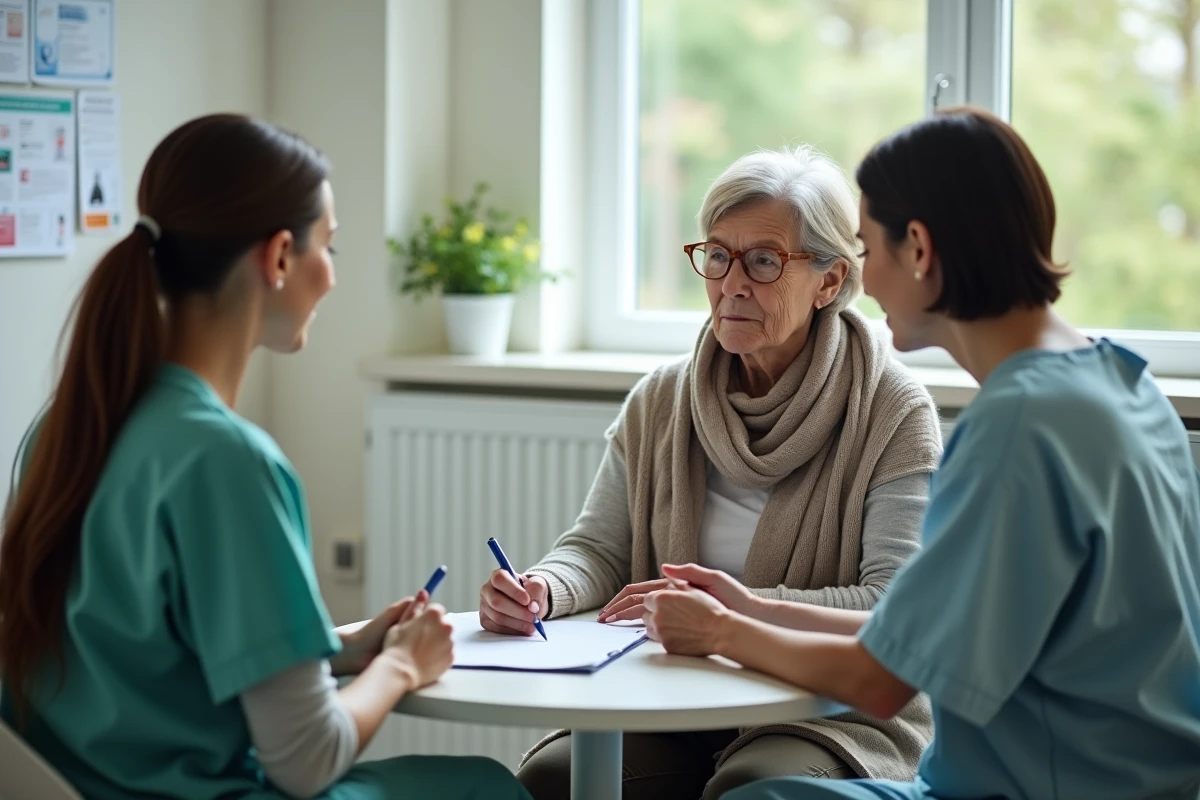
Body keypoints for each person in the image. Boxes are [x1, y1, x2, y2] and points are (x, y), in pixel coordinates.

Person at [642, 108, 1200, 800]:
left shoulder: (1018, 426)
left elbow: (882, 679)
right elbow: (916, 629)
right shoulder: (1125, 385)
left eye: (868, 252)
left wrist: (722, 631)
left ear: (920, 249)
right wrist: (753, 606)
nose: (865, 286)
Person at [0, 114, 530, 800]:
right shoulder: (227, 462)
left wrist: (341, 649)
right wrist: (401, 666)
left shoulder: (68, 426)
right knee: (491, 788)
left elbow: (146, 658)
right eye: (329, 249)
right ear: (279, 257)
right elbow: (306, 759)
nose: (333, 279)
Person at [479, 146, 944, 800]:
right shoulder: (662, 398)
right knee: (549, 781)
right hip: (667, 694)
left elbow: (892, 604)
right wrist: (541, 590)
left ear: (830, 282)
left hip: (822, 709)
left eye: (762, 261)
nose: (731, 283)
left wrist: (732, 613)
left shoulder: (892, 410)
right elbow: (597, 549)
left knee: (753, 787)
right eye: (717, 256)